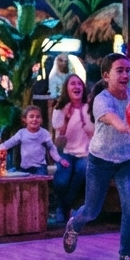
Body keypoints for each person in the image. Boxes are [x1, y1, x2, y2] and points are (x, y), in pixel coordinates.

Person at [63, 53, 130, 260]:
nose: (125, 75)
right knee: (92, 211)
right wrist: (127, 127)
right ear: (106, 75)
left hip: (127, 160)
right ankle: (75, 223)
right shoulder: (102, 100)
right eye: (119, 71)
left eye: (128, 70)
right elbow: (116, 122)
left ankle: (125, 257)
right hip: (100, 160)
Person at [51, 74, 94, 220]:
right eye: (73, 84)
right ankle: (64, 206)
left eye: (79, 84)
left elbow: (94, 133)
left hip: (85, 153)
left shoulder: (90, 109)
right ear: (66, 89)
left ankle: (63, 207)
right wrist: (66, 117)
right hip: (66, 152)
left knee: (82, 170)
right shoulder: (59, 109)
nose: (77, 86)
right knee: (61, 181)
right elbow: (59, 141)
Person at [0, 105, 68, 176]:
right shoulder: (21, 133)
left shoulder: (44, 133)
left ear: (41, 120)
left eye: (38, 117)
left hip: (40, 167)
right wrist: (0, 147)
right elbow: (11, 142)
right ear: (25, 119)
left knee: (39, 179)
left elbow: (51, 148)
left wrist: (60, 159)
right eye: (31, 117)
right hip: (24, 168)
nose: (35, 119)